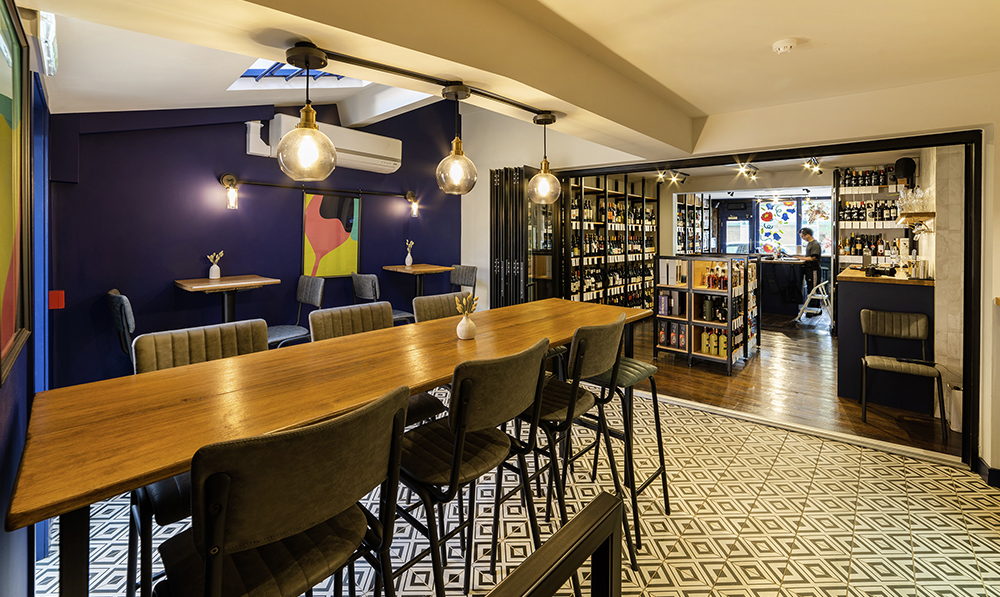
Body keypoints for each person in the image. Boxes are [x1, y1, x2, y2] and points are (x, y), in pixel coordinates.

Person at [799, 227, 822, 316]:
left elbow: (814, 258)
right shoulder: (809, 244)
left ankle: (812, 310)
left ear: (808, 235)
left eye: (802, 236)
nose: (802, 238)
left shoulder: (815, 244)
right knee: (810, 288)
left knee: (813, 289)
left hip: (814, 269)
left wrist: (801, 258)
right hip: (809, 269)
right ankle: (816, 308)